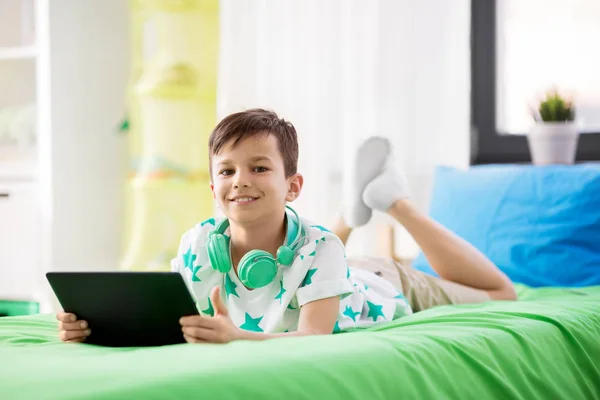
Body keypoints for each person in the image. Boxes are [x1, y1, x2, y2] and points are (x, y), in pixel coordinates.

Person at [56, 109, 516, 343]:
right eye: (227, 171)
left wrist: (239, 337)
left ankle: (394, 201)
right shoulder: (198, 245)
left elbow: (314, 338)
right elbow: (170, 322)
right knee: (321, 246)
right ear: (213, 184)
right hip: (320, 265)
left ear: (292, 186)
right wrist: (94, 327)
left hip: (375, 282)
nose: (240, 182)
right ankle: (352, 208)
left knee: (502, 295)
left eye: (259, 168)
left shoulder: (321, 248)